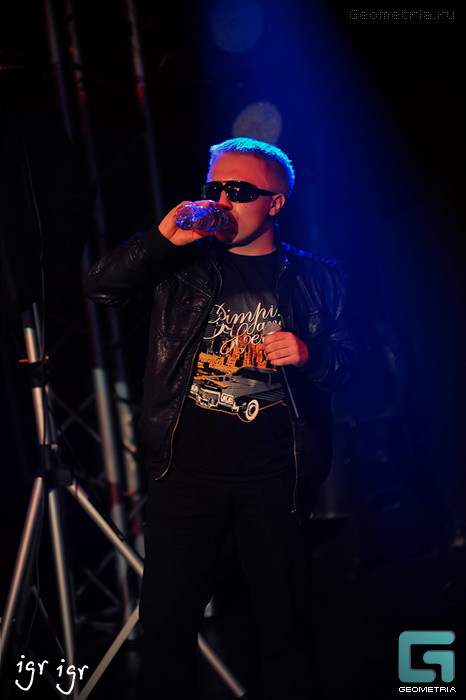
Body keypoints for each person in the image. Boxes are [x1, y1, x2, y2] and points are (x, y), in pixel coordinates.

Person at [84, 137, 359, 700]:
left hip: (277, 477)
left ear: (276, 202)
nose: (223, 201)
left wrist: (310, 355)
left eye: (239, 190)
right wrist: (163, 237)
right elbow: (100, 288)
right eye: (215, 188)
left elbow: (356, 367)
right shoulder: (181, 264)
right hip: (185, 475)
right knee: (166, 631)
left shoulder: (320, 279)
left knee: (284, 631)